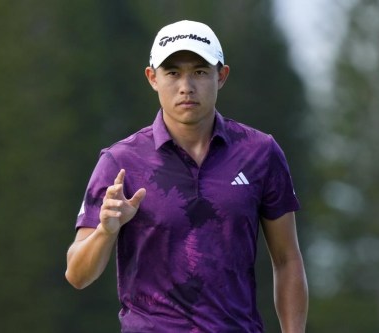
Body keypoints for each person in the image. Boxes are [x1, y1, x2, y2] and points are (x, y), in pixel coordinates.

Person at [65, 20, 308, 333]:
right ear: (152, 78)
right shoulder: (120, 161)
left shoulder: (260, 153)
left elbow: (287, 260)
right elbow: (77, 275)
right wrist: (105, 231)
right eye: (173, 73)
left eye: (200, 71)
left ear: (222, 76)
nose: (186, 86)